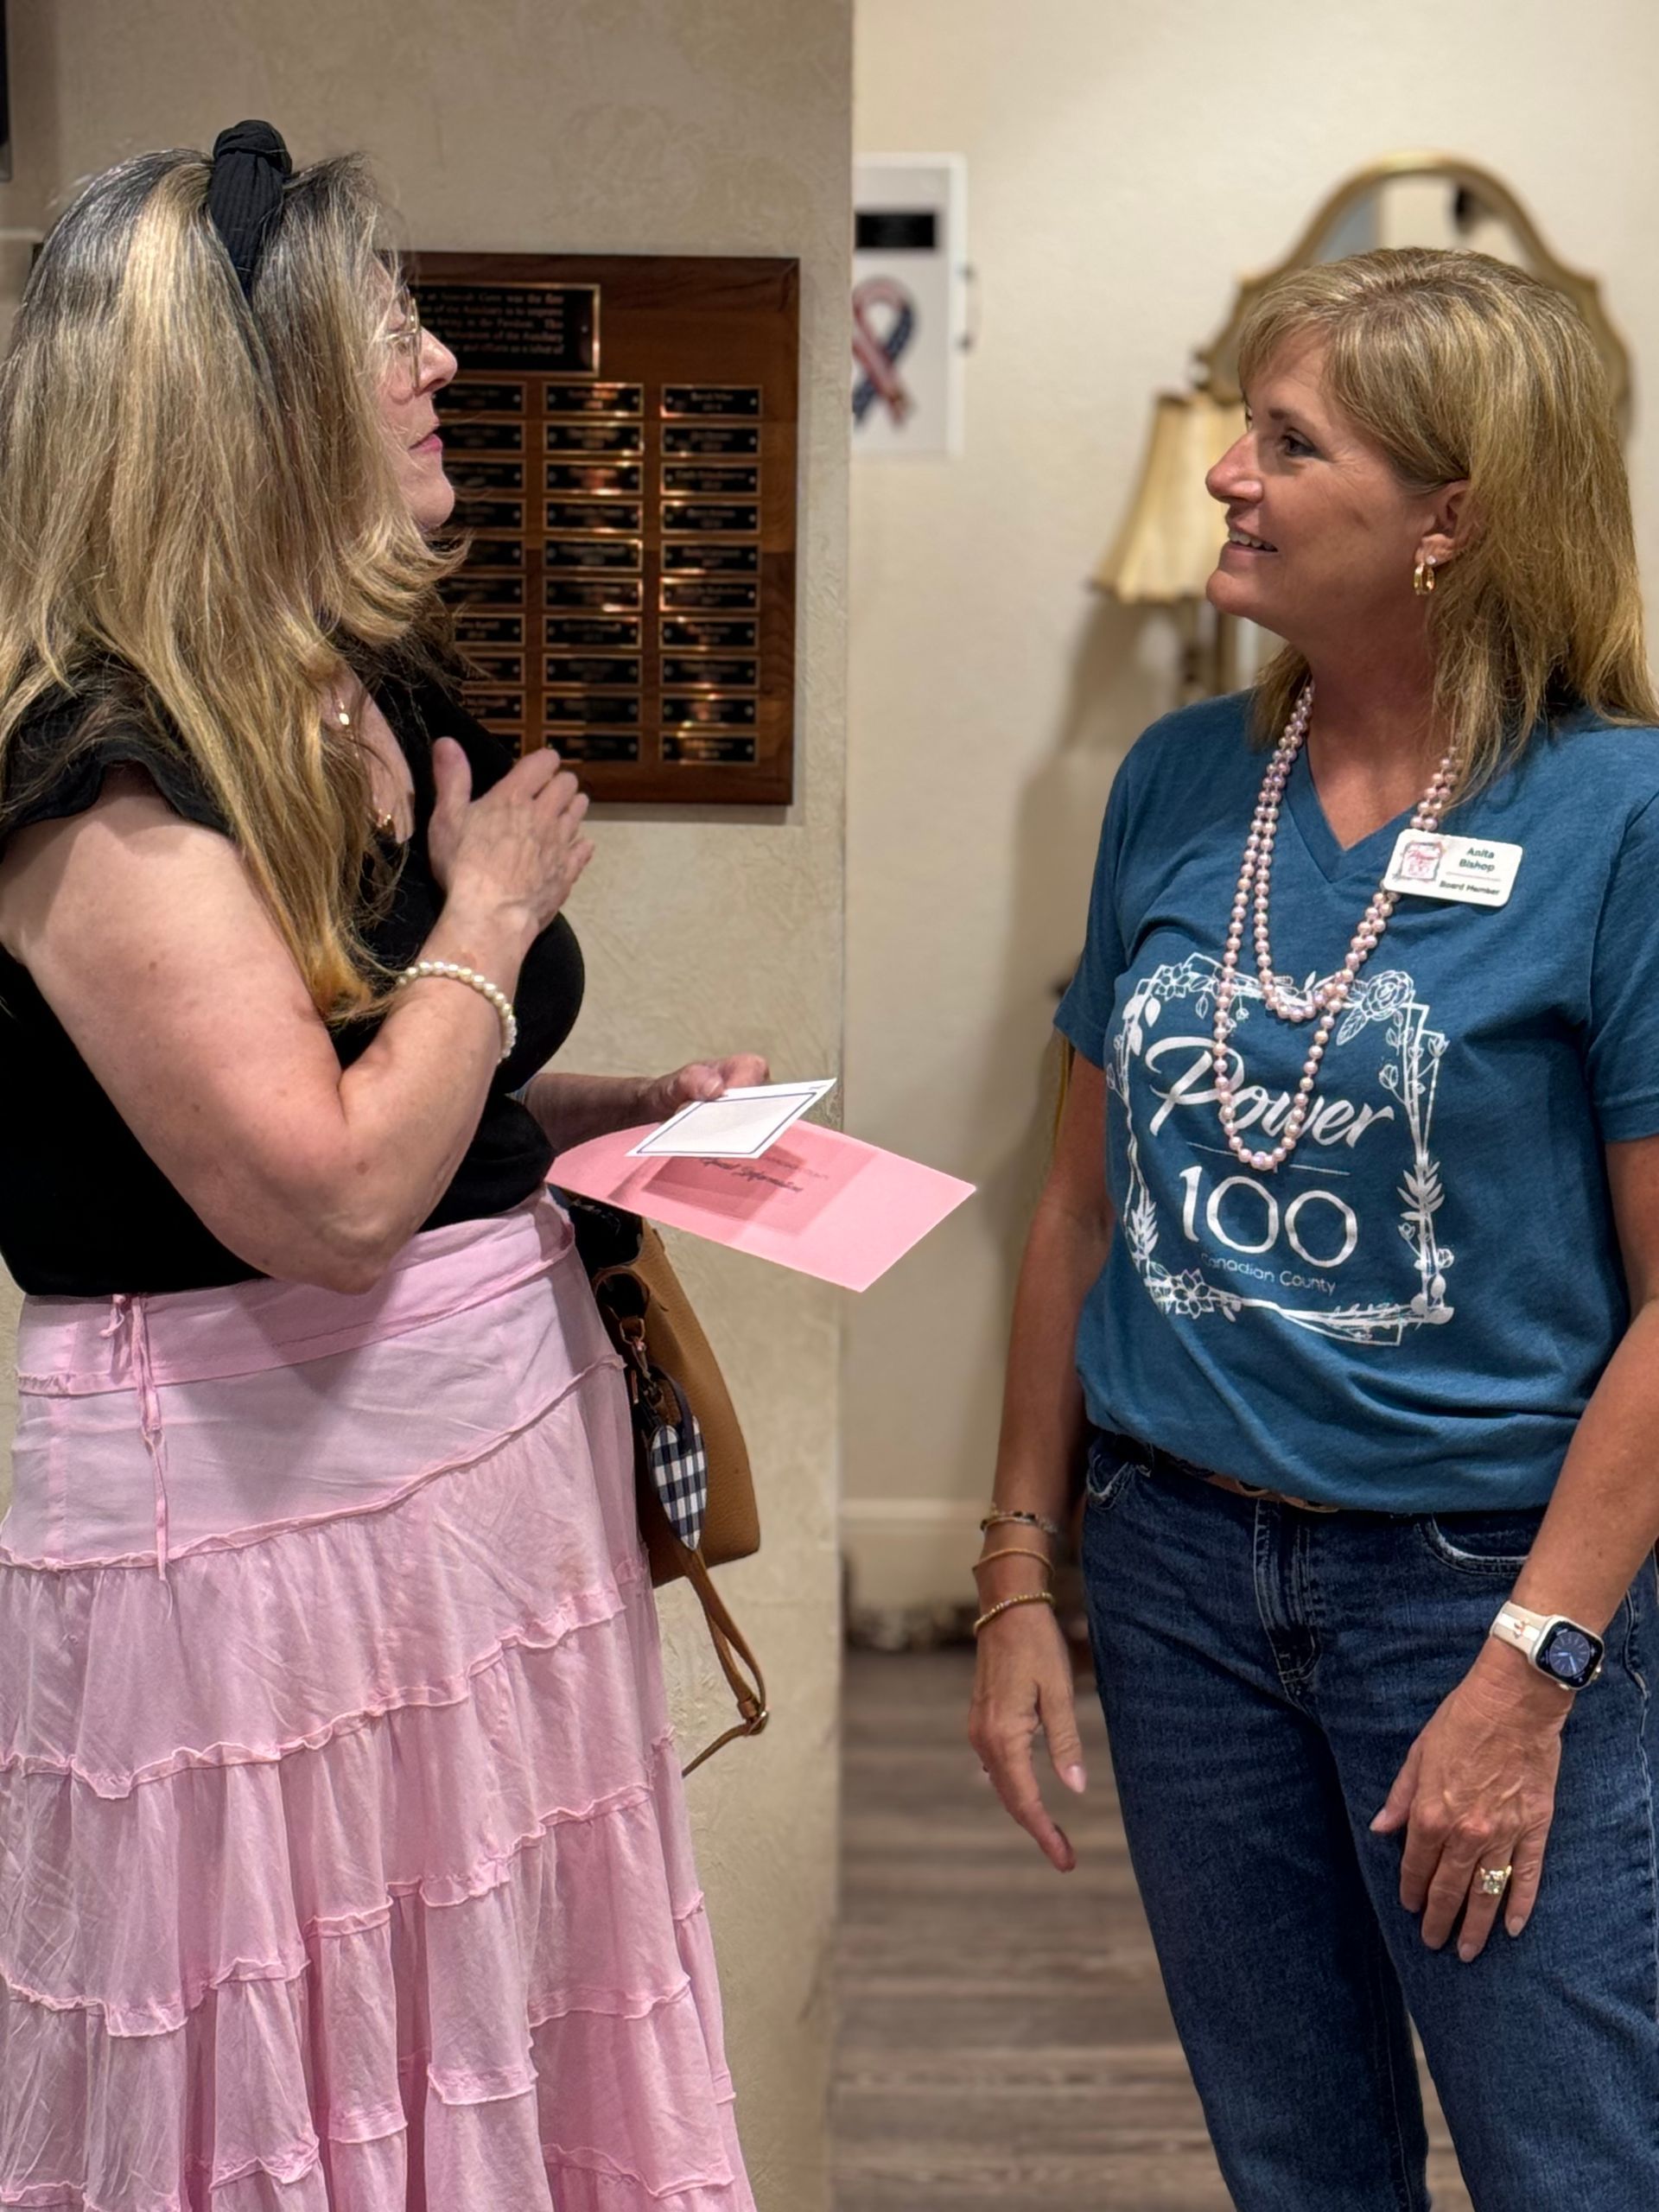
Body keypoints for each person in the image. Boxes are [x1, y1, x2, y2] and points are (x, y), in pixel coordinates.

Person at [0, 124, 760, 2209]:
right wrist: (490, 913)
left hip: (479, 1496)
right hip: (267, 1543)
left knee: (497, 2016)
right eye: (386, 326)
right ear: (235, 407)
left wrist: (597, 1117)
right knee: (301, 2057)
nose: (436, 361)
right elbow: (325, 1203)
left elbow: (386, 1090)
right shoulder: (100, 775)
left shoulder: (360, 686)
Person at [969, 246, 1659, 2208]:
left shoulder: (1621, 818)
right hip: (1180, 1575)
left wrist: (1527, 1673)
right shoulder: (1181, 780)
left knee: (1572, 2163)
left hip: (1479, 1586)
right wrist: (1018, 1572)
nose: (1227, 475)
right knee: (1299, 2167)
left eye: (1288, 442)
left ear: (1453, 515)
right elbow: (1080, 1205)